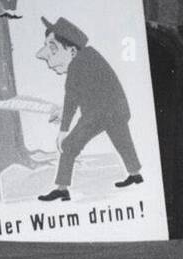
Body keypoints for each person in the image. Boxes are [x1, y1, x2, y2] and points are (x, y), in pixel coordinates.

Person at [35, 17, 142, 201]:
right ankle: (135, 175)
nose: (46, 56)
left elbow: (72, 99)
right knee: (123, 142)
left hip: (100, 113)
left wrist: (63, 131)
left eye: (53, 49)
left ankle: (62, 189)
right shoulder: (90, 55)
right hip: (117, 109)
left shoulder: (77, 64)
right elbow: (82, 95)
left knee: (69, 146)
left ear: (72, 50)